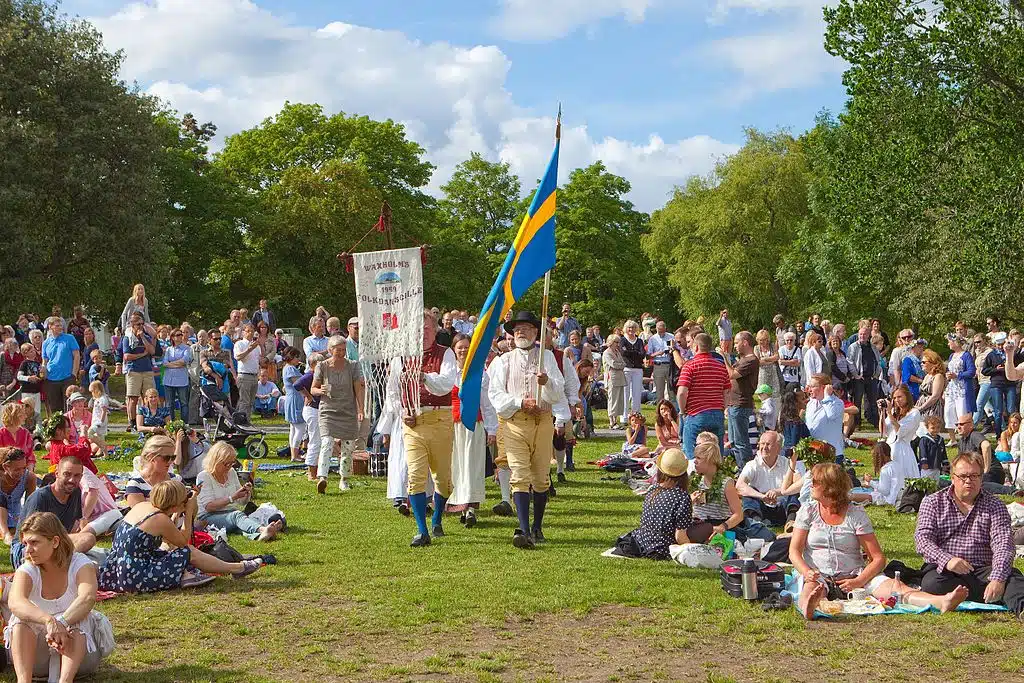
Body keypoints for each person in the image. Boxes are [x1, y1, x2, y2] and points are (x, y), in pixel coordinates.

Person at [792, 463, 967, 620]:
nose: (811, 485)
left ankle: (941, 601)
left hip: (855, 575)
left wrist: (858, 581)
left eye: (815, 482)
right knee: (812, 589)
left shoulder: (855, 515)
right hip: (819, 575)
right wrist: (806, 571)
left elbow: (878, 559)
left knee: (895, 588)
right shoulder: (808, 511)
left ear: (830, 488)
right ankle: (811, 605)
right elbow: (794, 551)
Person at [488, 311, 568, 549]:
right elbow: (495, 394)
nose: (521, 332)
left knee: (541, 477)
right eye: (517, 329)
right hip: (516, 422)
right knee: (519, 475)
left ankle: (537, 526)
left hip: (542, 421)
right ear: (512, 334)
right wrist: (520, 402)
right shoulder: (502, 361)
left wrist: (547, 383)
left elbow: (558, 390)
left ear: (536, 333)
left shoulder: (547, 358)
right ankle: (522, 528)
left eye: (526, 328)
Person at [100, 479, 263, 594]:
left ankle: (230, 568)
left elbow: (167, 538)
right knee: (189, 552)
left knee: (175, 551)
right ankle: (237, 568)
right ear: (176, 503)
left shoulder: (143, 507)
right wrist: (189, 512)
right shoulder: (159, 519)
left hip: (117, 572)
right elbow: (183, 543)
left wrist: (178, 512)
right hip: (136, 577)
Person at [6, 512, 113, 682]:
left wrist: (62, 622)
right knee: (19, 621)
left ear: (55, 541)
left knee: (81, 618)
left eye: (34, 542)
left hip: (81, 658)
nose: (28, 550)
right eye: (26, 543)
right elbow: (15, 602)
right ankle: (23, 680)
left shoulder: (80, 564)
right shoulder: (27, 569)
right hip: (37, 659)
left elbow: (87, 598)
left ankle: (66, 680)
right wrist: (49, 621)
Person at [914, 452, 1024, 616]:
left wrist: (998, 579)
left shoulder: (995, 505)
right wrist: (948, 560)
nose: (968, 481)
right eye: (963, 476)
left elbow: (1004, 545)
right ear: (952, 477)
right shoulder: (933, 502)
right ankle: (990, 596)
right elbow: (923, 540)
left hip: (984, 569)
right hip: (946, 571)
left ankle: (1016, 606)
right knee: (932, 584)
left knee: (1013, 580)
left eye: (974, 476)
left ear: (981, 478)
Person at [391, 310, 459, 547]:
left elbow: (446, 384)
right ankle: (422, 530)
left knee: (443, 479)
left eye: (427, 329)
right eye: (418, 329)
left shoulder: (446, 354)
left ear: (435, 330)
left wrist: (424, 377)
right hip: (414, 422)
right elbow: (392, 392)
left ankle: (437, 519)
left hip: (440, 420)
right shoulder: (400, 358)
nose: (422, 334)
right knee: (416, 476)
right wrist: (402, 412)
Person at [448, 334, 498, 527]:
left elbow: (487, 404)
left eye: (466, 347)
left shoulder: (480, 374)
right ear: (454, 349)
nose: (463, 351)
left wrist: (491, 429)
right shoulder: (449, 372)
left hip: (473, 425)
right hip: (452, 426)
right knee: (455, 465)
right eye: (459, 347)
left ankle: (470, 509)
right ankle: (455, 502)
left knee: (471, 466)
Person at [686, 436, 773, 543]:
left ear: (710, 460)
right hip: (699, 524)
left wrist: (723, 527)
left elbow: (739, 514)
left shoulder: (726, 483)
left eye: (698, 458)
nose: (695, 462)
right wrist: (690, 501)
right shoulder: (695, 480)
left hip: (720, 524)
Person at [12, 457, 97, 568]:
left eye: (76, 476)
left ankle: (62, 564)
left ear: (81, 477)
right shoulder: (40, 498)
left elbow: (71, 528)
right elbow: (29, 537)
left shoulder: (75, 492)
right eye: (67, 474)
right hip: (27, 550)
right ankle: (61, 566)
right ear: (57, 474)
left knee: (88, 540)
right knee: (87, 541)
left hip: (55, 545)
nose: (71, 480)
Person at [616, 448, 692, 559]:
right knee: (704, 529)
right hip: (664, 546)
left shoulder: (653, 489)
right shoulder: (682, 497)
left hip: (643, 540)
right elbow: (680, 536)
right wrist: (693, 549)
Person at [311, 336, 365, 493]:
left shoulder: (353, 366)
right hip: (328, 410)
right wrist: (319, 390)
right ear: (330, 350)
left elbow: (358, 388)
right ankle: (322, 477)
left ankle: (344, 479)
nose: (341, 353)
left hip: (348, 410)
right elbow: (313, 388)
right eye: (338, 350)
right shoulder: (322, 366)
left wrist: (360, 409)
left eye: (343, 350)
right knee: (327, 442)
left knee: (348, 447)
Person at [197, 442, 282, 541]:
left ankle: (261, 536)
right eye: (226, 463)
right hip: (208, 517)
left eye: (232, 462)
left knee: (240, 523)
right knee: (237, 516)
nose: (229, 466)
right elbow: (209, 507)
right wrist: (232, 498)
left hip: (229, 513)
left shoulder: (231, 472)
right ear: (215, 461)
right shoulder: (204, 476)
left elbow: (241, 502)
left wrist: (246, 493)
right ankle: (262, 529)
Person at [677, 333, 731, 459]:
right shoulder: (721, 367)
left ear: (696, 347)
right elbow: (727, 392)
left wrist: (682, 410)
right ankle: (715, 477)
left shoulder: (690, 365)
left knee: (692, 454)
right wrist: (723, 408)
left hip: (696, 413)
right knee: (715, 455)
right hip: (717, 413)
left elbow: (682, 392)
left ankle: (694, 476)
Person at [735, 431, 800, 529]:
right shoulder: (752, 464)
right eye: (762, 444)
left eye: (768, 444)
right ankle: (756, 524)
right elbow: (739, 486)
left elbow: (799, 483)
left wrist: (778, 492)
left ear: (778, 448)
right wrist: (762, 496)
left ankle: (791, 522)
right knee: (748, 493)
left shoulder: (787, 463)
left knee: (794, 492)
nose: (764, 447)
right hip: (761, 509)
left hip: (783, 509)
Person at [722, 331, 759, 470]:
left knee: (741, 441)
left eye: (737, 342)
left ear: (745, 342)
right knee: (733, 441)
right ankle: (740, 469)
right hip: (733, 404)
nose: (735, 346)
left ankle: (747, 471)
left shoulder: (751, 360)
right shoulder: (742, 359)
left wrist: (724, 358)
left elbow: (731, 374)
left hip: (741, 404)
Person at [117, 313, 157, 428]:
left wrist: (143, 338)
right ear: (132, 325)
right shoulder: (127, 339)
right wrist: (142, 354)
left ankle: (146, 419)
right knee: (132, 398)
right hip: (133, 370)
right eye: (138, 324)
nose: (140, 326)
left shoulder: (147, 336)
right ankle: (132, 422)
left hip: (147, 370)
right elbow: (127, 356)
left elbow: (152, 351)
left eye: (142, 324)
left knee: (148, 397)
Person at [124, 435, 182, 506]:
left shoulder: (176, 479)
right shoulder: (136, 485)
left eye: (173, 457)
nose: (170, 462)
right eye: (166, 458)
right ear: (150, 457)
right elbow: (142, 515)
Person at [879, 384, 922, 480]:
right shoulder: (894, 411)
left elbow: (900, 432)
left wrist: (889, 414)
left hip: (902, 451)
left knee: (902, 480)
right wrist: (882, 411)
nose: (897, 400)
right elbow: (883, 431)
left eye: (899, 397)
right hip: (889, 449)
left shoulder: (914, 413)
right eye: (894, 398)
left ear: (907, 396)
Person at [40, 319, 80, 417]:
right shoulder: (46, 343)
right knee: (55, 409)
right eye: (57, 325)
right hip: (51, 379)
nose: (60, 327)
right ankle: (58, 430)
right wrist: (43, 371)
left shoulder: (69, 338)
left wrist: (74, 374)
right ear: (50, 327)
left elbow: (77, 356)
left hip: (67, 377)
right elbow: (44, 361)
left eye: (61, 325)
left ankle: (71, 430)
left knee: (69, 406)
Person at [804, 374, 845, 463]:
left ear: (824, 387)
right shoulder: (810, 404)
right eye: (809, 386)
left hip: (833, 453)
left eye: (812, 386)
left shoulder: (837, 403)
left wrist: (827, 397)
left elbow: (831, 415)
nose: (809, 389)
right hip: (813, 451)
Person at [847, 325, 882, 427]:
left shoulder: (873, 347)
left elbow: (878, 361)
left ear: (868, 335)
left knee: (873, 401)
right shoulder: (853, 347)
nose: (862, 336)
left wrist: (876, 374)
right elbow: (849, 361)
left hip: (871, 378)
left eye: (865, 334)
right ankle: (857, 424)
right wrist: (856, 375)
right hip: (859, 378)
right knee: (857, 402)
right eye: (861, 334)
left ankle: (875, 422)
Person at [0, 447, 36, 545]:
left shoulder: (29, 478)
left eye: (24, 468)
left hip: (15, 513)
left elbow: (30, 505)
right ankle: (6, 534)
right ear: (5, 467)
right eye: (17, 469)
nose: (21, 472)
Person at [944, 334, 976, 439]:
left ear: (955, 342)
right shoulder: (951, 356)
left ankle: (965, 435)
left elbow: (971, 372)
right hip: (952, 388)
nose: (948, 343)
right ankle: (952, 438)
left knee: (961, 412)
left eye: (950, 341)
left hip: (962, 389)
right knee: (948, 411)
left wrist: (958, 375)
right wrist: (948, 375)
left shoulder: (966, 355)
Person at [953, 413, 998, 483]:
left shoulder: (974, 435)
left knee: (978, 484)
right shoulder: (961, 442)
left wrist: (986, 470)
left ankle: (1011, 491)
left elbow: (986, 446)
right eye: (957, 424)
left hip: (993, 472)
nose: (958, 427)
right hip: (975, 473)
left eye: (962, 424)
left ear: (971, 425)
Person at [280, 347, 307, 463]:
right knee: (300, 427)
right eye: (296, 357)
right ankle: (295, 454)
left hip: (292, 399)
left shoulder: (287, 368)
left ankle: (293, 454)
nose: (298, 359)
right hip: (296, 400)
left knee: (293, 429)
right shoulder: (290, 369)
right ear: (291, 357)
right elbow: (298, 384)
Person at [161, 329, 192, 424]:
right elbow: (164, 363)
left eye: (180, 335)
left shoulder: (187, 348)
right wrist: (177, 364)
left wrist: (171, 364)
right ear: (172, 337)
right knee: (169, 404)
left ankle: (184, 423)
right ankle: (171, 423)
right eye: (177, 335)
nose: (179, 336)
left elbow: (184, 361)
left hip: (181, 380)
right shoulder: (169, 349)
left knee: (184, 403)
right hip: (169, 379)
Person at [232, 323, 261, 419]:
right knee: (244, 401)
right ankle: (241, 422)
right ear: (243, 332)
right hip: (244, 376)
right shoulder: (239, 344)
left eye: (252, 331)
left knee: (251, 402)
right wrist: (249, 349)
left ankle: (247, 421)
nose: (251, 333)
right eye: (248, 331)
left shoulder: (256, 346)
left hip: (254, 376)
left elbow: (258, 360)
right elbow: (238, 357)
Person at [861, 442, 903, 506]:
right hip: (900, 496)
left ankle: (848, 497)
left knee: (868, 496)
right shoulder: (896, 464)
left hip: (890, 500)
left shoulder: (885, 469)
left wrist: (870, 481)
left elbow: (884, 491)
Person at [915, 350, 947, 431]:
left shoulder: (938, 376)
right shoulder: (927, 375)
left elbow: (935, 396)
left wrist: (922, 407)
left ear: (932, 363)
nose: (921, 364)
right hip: (922, 404)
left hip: (932, 407)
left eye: (924, 362)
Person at [620, 320, 645, 415]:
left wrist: (630, 352)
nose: (631, 329)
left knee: (637, 393)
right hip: (626, 369)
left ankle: (636, 414)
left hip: (638, 369)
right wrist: (636, 353)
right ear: (626, 329)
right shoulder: (622, 340)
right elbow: (623, 353)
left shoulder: (639, 341)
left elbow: (642, 354)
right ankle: (624, 416)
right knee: (625, 393)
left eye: (633, 327)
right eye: (629, 327)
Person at [0, 402, 35, 469]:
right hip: (4, 471)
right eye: (23, 414)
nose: (26, 416)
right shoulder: (1, 434)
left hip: (23, 470)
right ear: (15, 416)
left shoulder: (25, 433)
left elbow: (30, 457)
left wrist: (30, 471)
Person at [602, 334, 626, 429]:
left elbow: (623, 363)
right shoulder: (607, 353)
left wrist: (620, 365)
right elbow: (614, 364)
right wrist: (621, 365)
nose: (618, 344)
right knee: (613, 400)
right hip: (611, 378)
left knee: (619, 400)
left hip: (620, 378)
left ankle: (616, 420)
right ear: (611, 342)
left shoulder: (617, 352)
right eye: (616, 342)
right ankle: (611, 422)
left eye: (618, 342)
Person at [646, 320, 674, 403]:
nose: (661, 332)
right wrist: (657, 353)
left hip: (669, 365)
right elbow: (648, 356)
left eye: (662, 330)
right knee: (659, 391)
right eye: (659, 330)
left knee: (671, 390)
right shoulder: (653, 339)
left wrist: (672, 350)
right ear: (656, 329)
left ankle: (673, 410)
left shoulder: (671, 337)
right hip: (658, 365)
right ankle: (660, 410)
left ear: (665, 328)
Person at [917, 415, 948, 480]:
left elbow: (943, 452)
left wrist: (945, 463)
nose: (935, 430)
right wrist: (924, 462)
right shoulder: (924, 439)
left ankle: (935, 490)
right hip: (927, 466)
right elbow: (922, 451)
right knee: (926, 482)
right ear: (927, 428)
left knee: (935, 482)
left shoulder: (940, 440)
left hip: (937, 466)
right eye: (933, 428)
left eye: (938, 427)